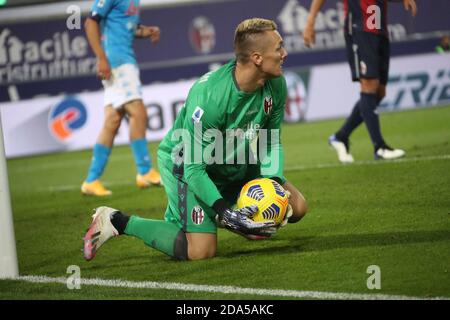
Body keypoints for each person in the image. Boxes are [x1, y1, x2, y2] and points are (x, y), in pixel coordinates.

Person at [83, 18, 308, 261]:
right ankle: (116, 220)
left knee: (296, 207)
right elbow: (194, 169)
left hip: (232, 158)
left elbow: (270, 142)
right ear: (257, 58)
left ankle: (204, 216)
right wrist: (226, 212)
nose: (284, 54)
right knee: (201, 251)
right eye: (279, 48)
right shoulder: (210, 96)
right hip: (185, 164)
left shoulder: (276, 84)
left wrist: (272, 184)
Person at [303, 0, 417, 163]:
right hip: (360, 29)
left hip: (380, 30)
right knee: (369, 85)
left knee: (378, 92)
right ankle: (380, 147)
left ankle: (341, 136)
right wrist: (310, 21)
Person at [81, 0, 162, 196]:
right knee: (138, 112)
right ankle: (144, 171)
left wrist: (146, 31)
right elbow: (90, 23)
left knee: (113, 120)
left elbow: (127, 27)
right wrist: (101, 57)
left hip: (121, 59)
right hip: (117, 61)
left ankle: (91, 180)